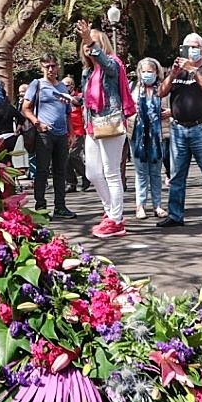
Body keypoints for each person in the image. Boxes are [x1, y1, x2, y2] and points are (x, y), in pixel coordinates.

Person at [160, 33, 202, 232]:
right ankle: (175, 215)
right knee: (176, 175)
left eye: (195, 47)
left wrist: (194, 71)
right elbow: (161, 92)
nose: (191, 50)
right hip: (178, 128)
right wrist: (173, 74)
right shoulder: (176, 72)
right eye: (187, 46)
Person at [76, 20, 131, 238]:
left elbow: (105, 63)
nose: (89, 48)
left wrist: (90, 39)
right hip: (93, 126)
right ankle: (111, 212)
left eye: (94, 44)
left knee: (111, 173)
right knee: (92, 172)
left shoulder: (113, 65)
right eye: (86, 45)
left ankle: (116, 220)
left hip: (110, 123)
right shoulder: (87, 73)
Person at [22, 55, 77, 219]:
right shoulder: (36, 84)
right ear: (42, 67)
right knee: (42, 171)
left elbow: (68, 113)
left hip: (61, 134)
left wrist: (71, 133)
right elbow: (26, 108)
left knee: (61, 171)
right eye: (47, 66)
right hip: (44, 134)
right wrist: (38, 123)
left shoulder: (62, 87)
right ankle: (41, 207)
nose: (51, 69)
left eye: (53, 66)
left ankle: (60, 206)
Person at [128, 57, 165, 220]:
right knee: (141, 172)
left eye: (150, 71)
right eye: (143, 72)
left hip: (157, 135)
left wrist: (167, 112)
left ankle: (157, 205)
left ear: (157, 73)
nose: (147, 75)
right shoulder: (133, 88)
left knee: (156, 172)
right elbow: (126, 109)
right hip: (138, 135)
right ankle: (140, 205)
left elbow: (171, 109)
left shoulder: (163, 90)